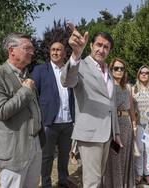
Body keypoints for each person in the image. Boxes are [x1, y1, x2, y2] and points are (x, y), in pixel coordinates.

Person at [61, 23, 122, 188]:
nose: (102, 49)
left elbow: (111, 104)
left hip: (106, 134)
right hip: (90, 134)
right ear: (91, 45)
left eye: (106, 47)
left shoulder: (108, 71)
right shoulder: (80, 64)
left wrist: (115, 132)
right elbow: (67, 81)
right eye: (99, 45)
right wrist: (75, 54)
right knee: (92, 182)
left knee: (99, 178)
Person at [0, 32, 46, 187]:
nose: (32, 52)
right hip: (13, 150)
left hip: (35, 143)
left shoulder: (27, 75)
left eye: (32, 48)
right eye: (27, 48)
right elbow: (1, 111)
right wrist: (25, 91)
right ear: (12, 50)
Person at [31, 41, 75, 188]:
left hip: (68, 121)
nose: (55, 52)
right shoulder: (40, 70)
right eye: (53, 50)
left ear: (64, 53)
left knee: (64, 154)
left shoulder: (70, 70)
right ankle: (46, 183)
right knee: (47, 156)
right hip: (49, 121)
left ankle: (63, 179)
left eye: (58, 50)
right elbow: (32, 94)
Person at [103, 58, 137, 188]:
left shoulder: (127, 87)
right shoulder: (107, 86)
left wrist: (134, 123)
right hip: (112, 124)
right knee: (114, 156)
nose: (119, 71)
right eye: (116, 68)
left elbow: (131, 108)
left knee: (124, 156)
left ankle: (124, 184)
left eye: (122, 69)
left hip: (126, 125)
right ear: (111, 70)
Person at [132, 65, 149, 185]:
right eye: (141, 72)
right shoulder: (133, 89)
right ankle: (139, 174)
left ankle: (146, 173)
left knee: (148, 150)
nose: (144, 74)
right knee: (140, 149)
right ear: (138, 75)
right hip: (138, 124)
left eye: (146, 73)